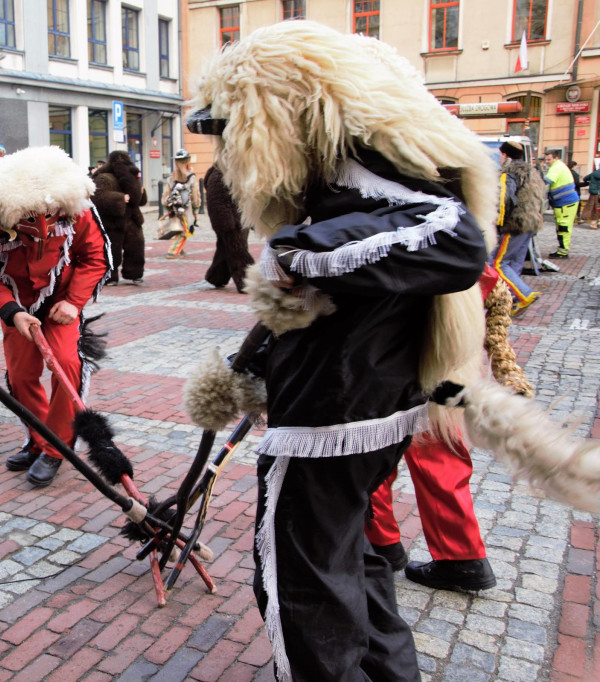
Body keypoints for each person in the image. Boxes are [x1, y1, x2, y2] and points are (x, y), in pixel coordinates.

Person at [186, 22, 493, 680]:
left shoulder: (365, 168)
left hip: (332, 421)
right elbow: (327, 308)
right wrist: (252, 364)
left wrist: (296, 251)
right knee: (354, 568)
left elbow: (457, 239)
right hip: (354, 409)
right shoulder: (341, 170)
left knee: (304, 596)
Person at [366, 265, 533, 592]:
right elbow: (496, 299)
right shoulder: (464, 246)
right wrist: (506, 368)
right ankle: (460, 557)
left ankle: (381, 543)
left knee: (373, 450)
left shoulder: (395, 234)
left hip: (395, 364)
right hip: (445, 368)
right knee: (439, 457)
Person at [0, 146, 111, 487]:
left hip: (62, 303)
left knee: (66, 365)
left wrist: (74, 302)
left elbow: (95, 258)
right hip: (15, 305)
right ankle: (38, 438)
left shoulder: (76, 207)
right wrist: (12, 312)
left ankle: (56, 447)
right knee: (20, 376)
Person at [492, 140, 545, 316]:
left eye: (500, 154)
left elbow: (504, 199)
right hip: (530, 222)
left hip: (515, 224)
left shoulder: (509, 174)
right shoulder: (532, 172)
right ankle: (512, 299)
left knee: (498, 263)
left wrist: (498, 225)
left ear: (505, 155)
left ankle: (525, 295)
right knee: (515, 263)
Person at [91, 150, 147, 285]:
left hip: (131, 219)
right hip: (113, 221)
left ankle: (134, 273)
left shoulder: (130, 176)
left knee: (136, 246)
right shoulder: (104, 178)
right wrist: (120, 198)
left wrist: (141, 192)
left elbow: (139, 200)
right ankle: (110, 276)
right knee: (112, 249)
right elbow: (98, 197)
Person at [203, 164, 253, 293]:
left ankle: (216, 277)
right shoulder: (219, 176)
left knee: (224, 248)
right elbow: (216, 202)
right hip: (226, 220)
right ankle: (247, 281)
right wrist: (226, 223)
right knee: (237, 250)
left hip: (232, 217)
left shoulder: (228, 171)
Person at [160, 149, 201, 258]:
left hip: (173, 207)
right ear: (187, 161)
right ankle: (173, 251)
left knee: (178, 227)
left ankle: (180, 249)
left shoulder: (171, 177)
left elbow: (165, 195)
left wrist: (166, 209)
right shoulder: (191, 177)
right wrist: (196, 210)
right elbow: (195, 195)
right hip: (186, 208)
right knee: (184, 230)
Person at [543, 150, 579, 258]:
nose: (547, 162)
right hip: (564, 202)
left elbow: (546, 181)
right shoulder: (559, 166)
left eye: (549, 159)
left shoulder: (556, 168)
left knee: (564, 227)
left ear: (555, 158)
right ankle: (562, 249)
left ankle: (563, 252)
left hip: (565, 203)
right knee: (562, 226)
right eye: (546, 160)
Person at [581, 163, 600, 229]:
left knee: (593, 208)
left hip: (593, 193)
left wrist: (591, 182)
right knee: (597, 209)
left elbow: (585, 178)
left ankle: (593, 223)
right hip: (598, 194)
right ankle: (595, 224)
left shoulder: (594, 173)